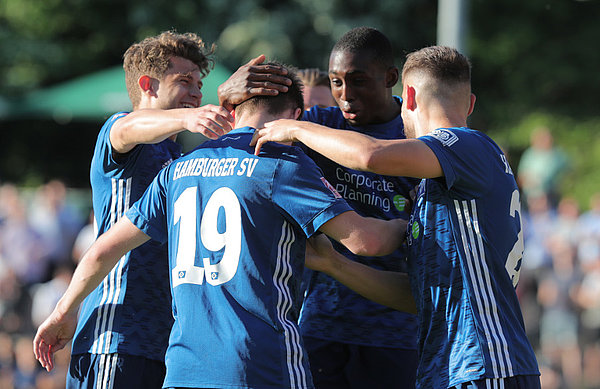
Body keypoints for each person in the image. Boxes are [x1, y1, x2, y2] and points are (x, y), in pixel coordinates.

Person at [33, 63, 408, 389]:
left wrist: (64, 310)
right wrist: (425, 224)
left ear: (234, 108)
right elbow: (367, 241)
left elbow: (103, 247)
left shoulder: (178, 169)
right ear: (295, 114)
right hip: (261, 364)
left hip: (182, 368)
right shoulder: (283, 163)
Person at [251, 46, 541, 388]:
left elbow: (371, 155)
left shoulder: (468, 145)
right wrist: (334, 264)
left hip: (486, 364)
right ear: (472, 103)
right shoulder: (443, 188)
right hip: (452, 368)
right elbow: (418, 295)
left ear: (409, 97)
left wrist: (296, 129)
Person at [57, 30, 293, 389]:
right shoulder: (121, 135)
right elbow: (131, 126)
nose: (196, 92)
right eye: (185, 81)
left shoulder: (180, 161)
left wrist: (227, 102)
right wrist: (187, 118)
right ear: (148, 85)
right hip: (115, 337)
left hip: (168, 346)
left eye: (200, 83)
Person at [292, 27, 423, 389]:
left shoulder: (418, 139)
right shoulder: (319, 125)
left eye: (358, 80)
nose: (344, 95)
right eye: (336, 82)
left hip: (396, 334)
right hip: (319, 325)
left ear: (390, 78)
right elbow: (255, 129)